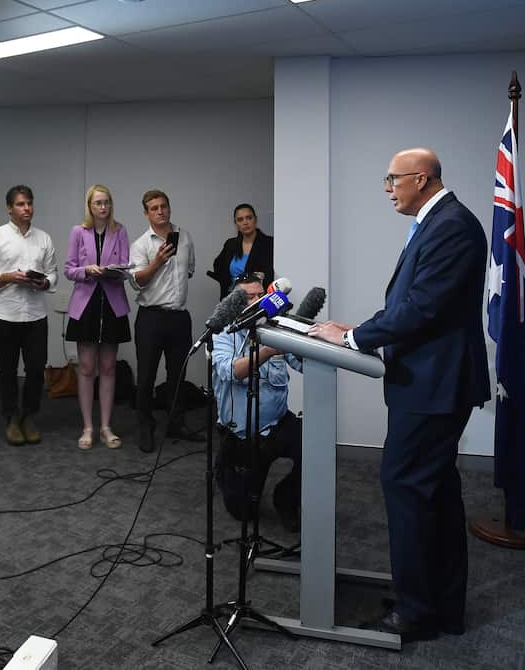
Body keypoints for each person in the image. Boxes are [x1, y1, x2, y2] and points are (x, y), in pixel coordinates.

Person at [309, 148, 490, 643]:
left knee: (406, 485)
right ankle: (439, 603)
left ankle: (417, 611)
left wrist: (352, 339)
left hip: (435, 384)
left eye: (393, 180)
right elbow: (413, 304)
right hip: (429, 381)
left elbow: (422, 309)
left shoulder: (451, 225)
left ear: (421, 178)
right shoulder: (442, 222)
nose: (388, 189)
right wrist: (360, 329)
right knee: (434, 493)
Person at [212, 274, 302, 533]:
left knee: (314, 446)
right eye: (249, 296)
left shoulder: (275, 326)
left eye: (260, 294)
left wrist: (309, 341)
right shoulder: (223, 332)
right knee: (244, 512)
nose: (257, 300)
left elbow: (300, 363)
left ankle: (285, 499)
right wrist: (268, 350)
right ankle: (225, 467)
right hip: (242, 435)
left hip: (277, 424)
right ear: (234, 302)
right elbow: (232, 371)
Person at [0, 185, 58, 446]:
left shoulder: (44, 238)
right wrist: (9, 277)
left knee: (36, 369)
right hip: (4, 314)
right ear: (9, 208)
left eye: (30, 203)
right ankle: (10, 418)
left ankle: (28, 416)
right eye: (21, 204)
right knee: (8, 369)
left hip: (35, 314)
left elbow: (53, 273)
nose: (27, 209)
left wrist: (44, 283)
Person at [129, 189, 204, 452]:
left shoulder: (185, 238)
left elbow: (190, 270)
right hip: (151, 317)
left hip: (179, 317)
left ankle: (176, 423)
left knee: (177, 375)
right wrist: (157, 261)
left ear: (169, 208)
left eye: (163, 206)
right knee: (147, 375)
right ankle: (145, 427)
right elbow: (138, 282)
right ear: (146, 213)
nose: (160, 211)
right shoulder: (140, 245)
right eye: (154, 208)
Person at [63, 185, 131, 450]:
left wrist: (115, 271)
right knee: (87, 368)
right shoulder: (78, 231)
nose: (103, 207)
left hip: (112, 304)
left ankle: (106, 427)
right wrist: (86, 270)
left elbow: (126, 268)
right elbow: (69, 269)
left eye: (107, 203)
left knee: (109, 368)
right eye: (98, 203)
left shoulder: (120, 230)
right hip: (86, 305)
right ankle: (88, 427)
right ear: (90, 206)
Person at [209, 203, 275, 299]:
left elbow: (271, 274)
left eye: (249, 218)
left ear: (255, 220)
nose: (245, 222)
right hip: (232, 300)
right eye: (240, 219)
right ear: (236, 224)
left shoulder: (269, 243)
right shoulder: (230, 244)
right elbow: (218, 266)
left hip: (258, 300)